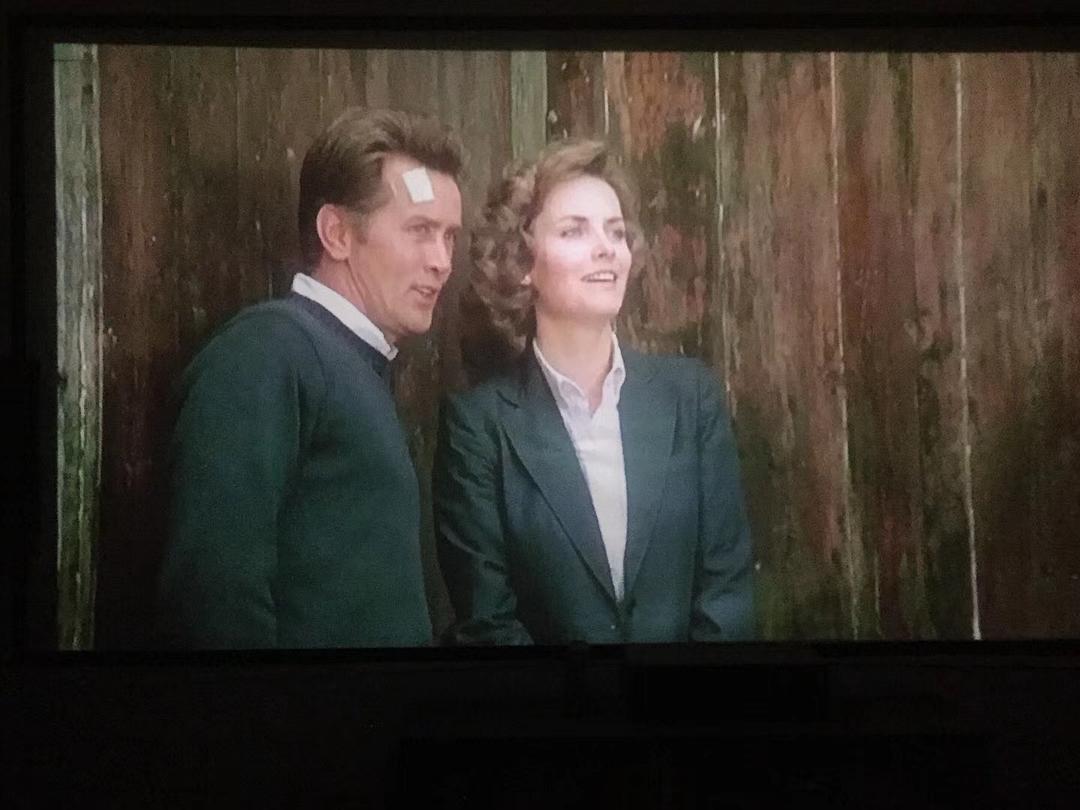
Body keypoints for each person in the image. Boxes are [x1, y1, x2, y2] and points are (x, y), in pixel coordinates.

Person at [158, 108, 464, 648]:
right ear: (337, 233)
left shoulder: (354, 363)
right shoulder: (266, 351)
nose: (442, 261)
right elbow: (213, 588)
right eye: (420, 231)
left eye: (449, 237)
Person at [434, 139, 754, 645]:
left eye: (616, 231)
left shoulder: (691, 399)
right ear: (522, 262)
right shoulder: (478, 426)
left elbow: (727, 595)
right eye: (574, 230)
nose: (607, 247)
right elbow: (487, 621)